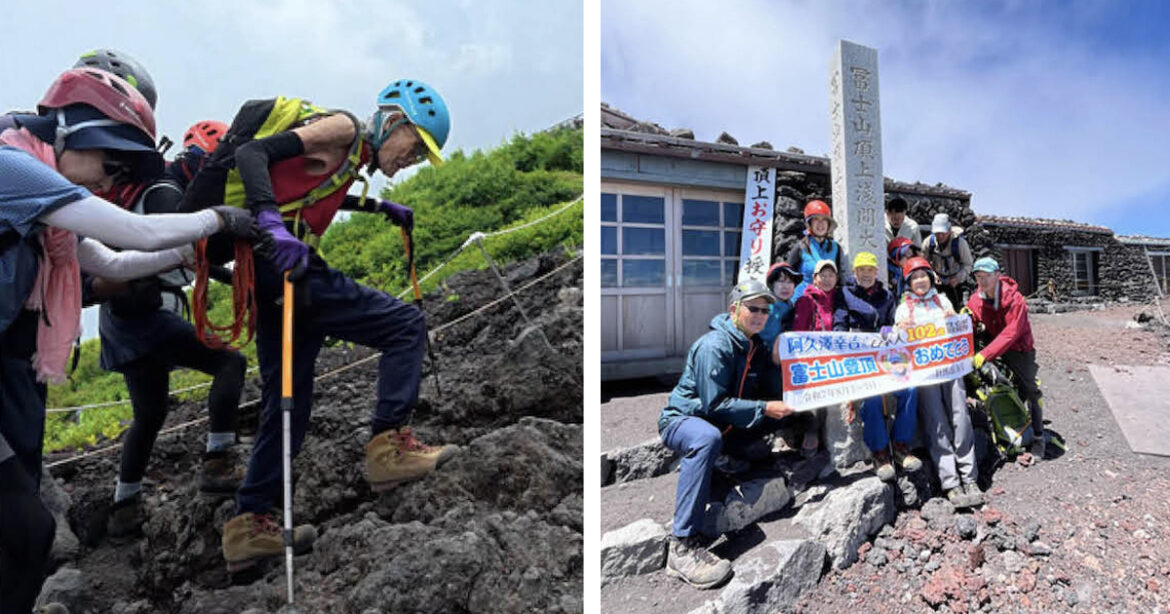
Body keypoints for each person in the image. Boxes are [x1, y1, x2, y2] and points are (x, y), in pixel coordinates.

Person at [0, 67, 258, 614]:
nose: (108, 181)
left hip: (12, 373)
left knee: (25, 535)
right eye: (111, 163)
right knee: (27, 531)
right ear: (75, 132)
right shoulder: (12, 167)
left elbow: (116, 262)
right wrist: (216, 220)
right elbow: (135, 231)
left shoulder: (50, 219)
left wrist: (194, 252)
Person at [195, 81, 461, 572]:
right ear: (394, 121)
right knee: (405, 325)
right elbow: (253, 154)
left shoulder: (352, 159)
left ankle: (247, 526)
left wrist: (380, 208)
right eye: (416, 146)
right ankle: (389, 447)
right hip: (284, 263)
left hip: (268, 271)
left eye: (423, 156)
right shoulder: (344, 128)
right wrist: (270, 222)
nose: (413, 160)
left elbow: (305, 189)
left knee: (288, 403)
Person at [88, 121, 248, 539]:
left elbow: (182, 258)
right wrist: (238, 279)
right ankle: (218, 461)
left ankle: (124, 506)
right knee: (229, 363)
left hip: (121, 315)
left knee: (151, 413)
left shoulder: (156, 189)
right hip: (145, 311)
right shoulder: (167, 194)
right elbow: (180, 253)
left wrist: (233, 280)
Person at [657, 279, 812, 589]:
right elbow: (714, 404)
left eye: (765, 311)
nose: (760, 315)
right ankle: (682, 546)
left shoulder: (756, 346)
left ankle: (721, 462)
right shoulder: (715, 346)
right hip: (686, 421)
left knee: (780, 420)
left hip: (724, 425)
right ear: (734, 309)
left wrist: (778, 364)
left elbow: (771, 389)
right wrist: (765, 408)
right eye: (753, 308)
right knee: (707, 439)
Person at [895, 256, 982, 508]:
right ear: (908, 283)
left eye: (923, 275)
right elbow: (898, 340)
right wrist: (901, 328)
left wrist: (953, 319)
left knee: (960, 417)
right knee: (936, 423)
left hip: (951, 367)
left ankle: (970, 477)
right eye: (914, 277)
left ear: (931, 278)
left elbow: (958, 328)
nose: (920, 281)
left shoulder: (942, 300)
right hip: (926, 373)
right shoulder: (903, 308)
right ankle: (950, 481)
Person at [833, 252, 921, 482]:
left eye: (870, 270)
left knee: (909, 389)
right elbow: (839, 325)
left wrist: (891, 330)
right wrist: (852, 339)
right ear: (854, 272)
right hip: (858, 357)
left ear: (876, 272)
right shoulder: (845, 293)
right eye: (861, 270)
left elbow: (892, 323)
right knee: (871, 396)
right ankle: (880, 452)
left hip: (885, 355)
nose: (866, 274)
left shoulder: (887, 295)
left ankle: (901, 446)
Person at [966, 256, 1046, 460]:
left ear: (997, 275)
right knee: (991, 383)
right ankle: (1004, 426)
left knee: (1030, 389)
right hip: (993, 342)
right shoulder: (976, 299)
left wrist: (985, 354)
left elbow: (1012, 333)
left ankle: (1038, 437)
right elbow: (971, 319)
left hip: (1019, 348)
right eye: (978, 276)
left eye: (987, 276)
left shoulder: (1015, 300)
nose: (982, 280)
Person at [786, 200, 847, 296]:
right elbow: (787, 277)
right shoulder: (800, 247)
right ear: (809, 224)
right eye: (816, 219)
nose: (820, 223)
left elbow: (842, 278)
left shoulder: (836, 248)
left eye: (824, 220)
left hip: (828, 300)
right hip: (803, 299)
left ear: (828, 224)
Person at [923, 213, 973, 308]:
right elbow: (923, 263)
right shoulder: (928, 243)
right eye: (937, 233)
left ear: (949, 231)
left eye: (943, 233)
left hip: (956, 283)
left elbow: (968, 264)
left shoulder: (960, 243)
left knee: (957, 308)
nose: (940, 236)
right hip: (937, 282)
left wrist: (958, 278)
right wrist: (932, 275)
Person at [760, 261, 801, 357]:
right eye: (781, 281)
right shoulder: (763, 310)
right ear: (772, 284)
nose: (786, 286)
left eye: (790, 282)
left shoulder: (794, 308)